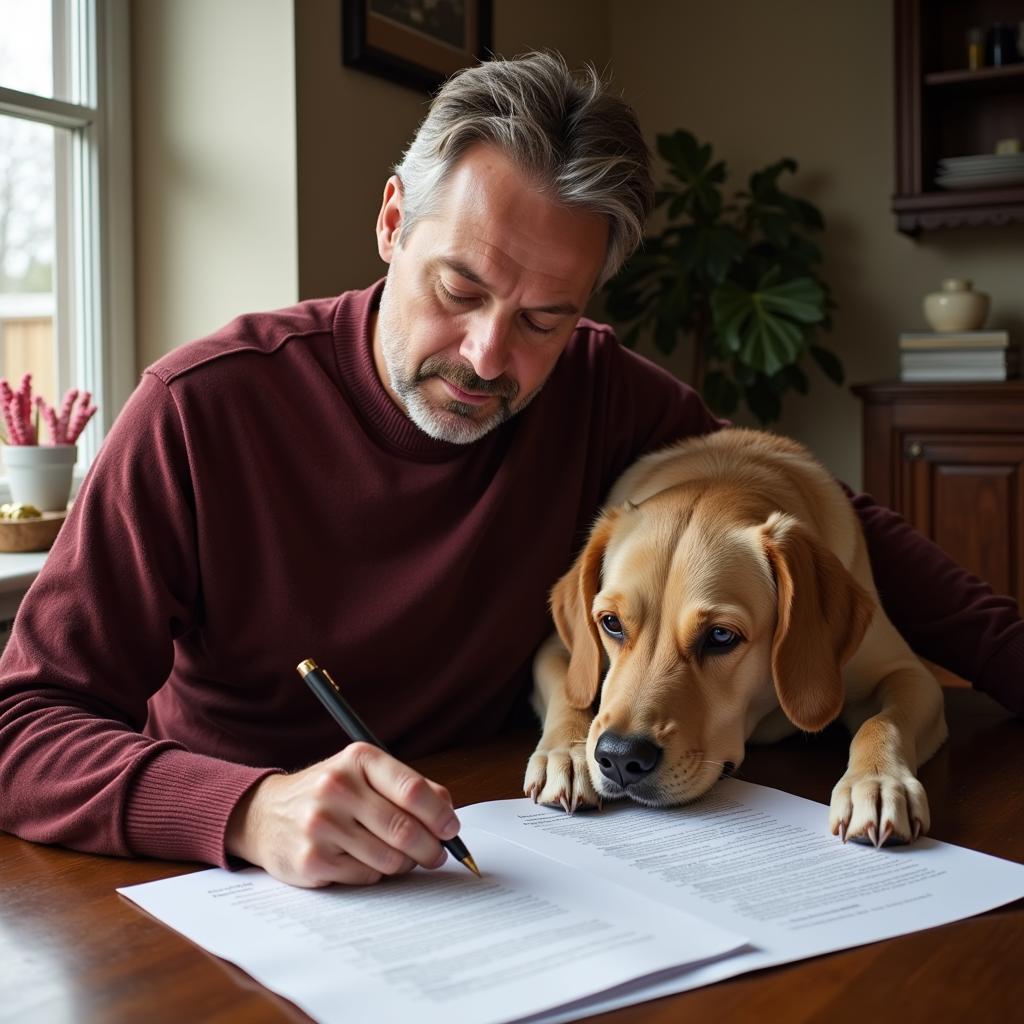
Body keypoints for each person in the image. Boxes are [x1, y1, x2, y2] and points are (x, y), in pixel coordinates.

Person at [0, 53, 1020, 889]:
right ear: (392, 221)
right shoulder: (198, 410)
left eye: (544, 317)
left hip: (522, 848)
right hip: (242, 887)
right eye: (460, 288)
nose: (489, 356)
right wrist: (247, 809)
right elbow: (22, 728)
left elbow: (824, 518)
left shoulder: (596, 388)